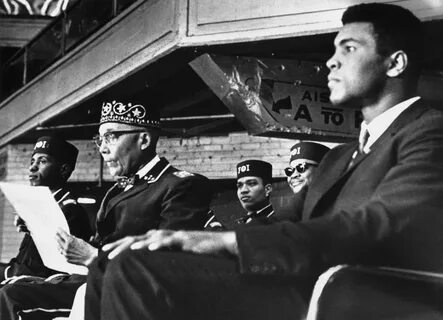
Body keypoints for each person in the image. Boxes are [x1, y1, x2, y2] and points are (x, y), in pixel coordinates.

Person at [85, 3, 443, 320]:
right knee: (109, 263)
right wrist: (192, 238)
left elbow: (382, 224)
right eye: (334, 49)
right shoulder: (338, 158)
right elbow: (284, 224)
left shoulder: (429, 132)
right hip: (305, 284)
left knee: (135, 271)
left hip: (358, 298)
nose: (331, 60)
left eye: (349, 48)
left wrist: (227, 244)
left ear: (395, 63)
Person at [0, 97, 212, 320]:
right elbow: (98, 244)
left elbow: (168, 261)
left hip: (126, 294)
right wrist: (38, 225)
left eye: (110, 137)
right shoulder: (116, 192)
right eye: (99, 139)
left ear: (144, 139)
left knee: (12, 297)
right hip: (92, 282)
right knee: (12, 290)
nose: (102, 148)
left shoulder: (181, 184)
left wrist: (93, 257)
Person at [0, 136, 92, 282]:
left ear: (63, 170)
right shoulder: (42, 208)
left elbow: (41, 271)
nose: (32, 167)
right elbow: (24, 261)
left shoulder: (70, 211)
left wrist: (5, 272)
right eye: (32, 161)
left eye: (42, 161)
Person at [205, 160, 274, 229]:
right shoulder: (238, 223)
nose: (243, 190)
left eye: (251, 183)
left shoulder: (277, 224)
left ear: (267, 189)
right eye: (240, 185)